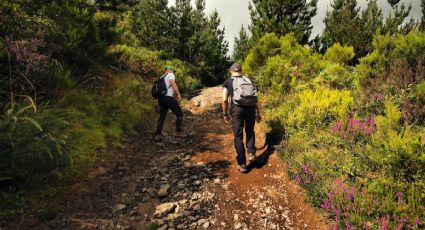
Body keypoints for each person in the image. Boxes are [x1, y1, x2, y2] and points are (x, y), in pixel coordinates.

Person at [222, 63, 262, 173]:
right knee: (250, 131)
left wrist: (225, 113)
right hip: (250, 108)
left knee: (238, 136)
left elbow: (224, 100)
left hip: (237, 109)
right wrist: (258, 113)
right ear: (241, 70)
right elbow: (255, 98)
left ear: (231, 71)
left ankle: (242, 164)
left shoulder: (228, 82)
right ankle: (252, 153)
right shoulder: (248, 80)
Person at [154, 66, 183, 142]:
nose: (173, 72)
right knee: (179, 114)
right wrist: (178, 94)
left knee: (162, 117)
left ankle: (157, 134)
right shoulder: (170, 75)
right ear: (170, 70)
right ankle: (177, 132)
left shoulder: (161, 77)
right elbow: (172, 83)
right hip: (168, 98)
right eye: (173, 71)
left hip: (161, 99)